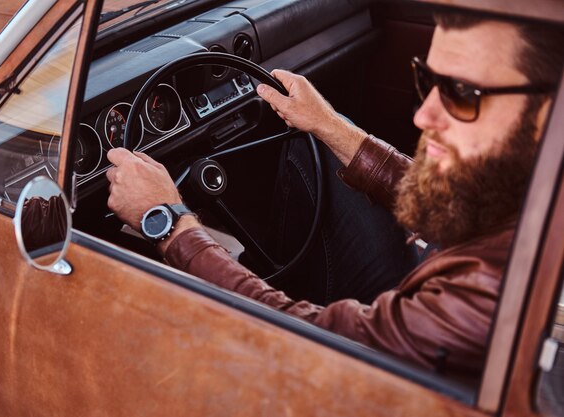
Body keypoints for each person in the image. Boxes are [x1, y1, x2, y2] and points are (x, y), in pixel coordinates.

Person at [105, 11, 563, 379]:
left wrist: (169, 221)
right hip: (421, 291)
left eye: (462, 93)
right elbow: (457, 210)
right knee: (319, 153)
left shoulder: (477, 304)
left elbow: (306, 339)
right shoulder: (535, 187)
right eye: (429, 81)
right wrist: (329, 125)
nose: (424, 114)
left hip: (354, 366)